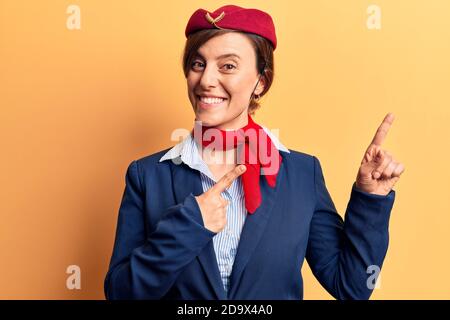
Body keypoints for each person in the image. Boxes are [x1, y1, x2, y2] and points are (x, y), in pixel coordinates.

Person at [104, 4, 405, 300]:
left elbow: (350, 286)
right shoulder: (147, 176)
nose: (206, 80)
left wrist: (371, 199)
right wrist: (188, 226)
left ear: (261, 82)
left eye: (228, 66)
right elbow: (120, 293)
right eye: (198, 64)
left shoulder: (301, 174)